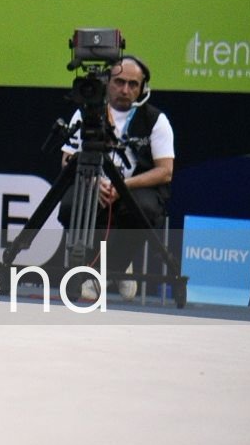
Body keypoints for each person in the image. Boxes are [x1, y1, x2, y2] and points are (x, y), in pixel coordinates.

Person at [59, 55, 175, 300]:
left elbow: (165, 171)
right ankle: (110, 266)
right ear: (107, 83)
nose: (125, 90)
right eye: (119, 82)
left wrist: (122, 187)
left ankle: (108, 270)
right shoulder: (86, 114)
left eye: (133, 84)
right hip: (94, 184)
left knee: (143, 208)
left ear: (143, 88)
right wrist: (93, 182)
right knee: (70, 204)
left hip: (133, 188)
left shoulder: (156, 120)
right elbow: (67, 159)